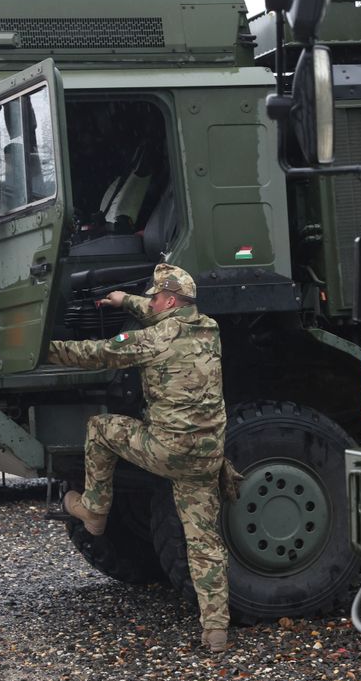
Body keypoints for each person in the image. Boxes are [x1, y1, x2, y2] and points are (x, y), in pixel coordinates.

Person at [45, 264, 232, 653]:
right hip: (207, 455)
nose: (150, 302)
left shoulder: (152, 339)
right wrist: (124, 299)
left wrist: (40, 348)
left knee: (99, 427)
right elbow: (166, 313)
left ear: (166, 299)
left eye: (153, 297)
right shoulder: (209, 328)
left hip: (167, 451)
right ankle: (216, 631)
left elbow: (99, 352)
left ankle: (95, 510)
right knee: (205, 544)